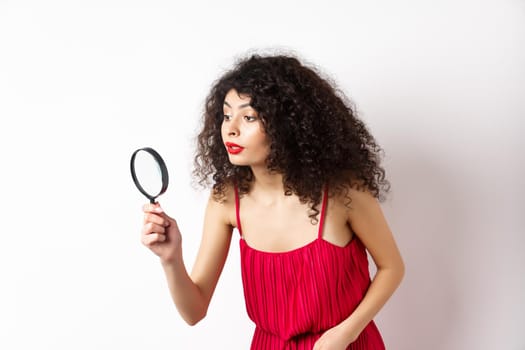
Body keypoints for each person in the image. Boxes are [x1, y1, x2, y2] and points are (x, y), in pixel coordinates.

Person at [140, 53, 405, 349]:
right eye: (227, 116)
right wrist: (171, 258)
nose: (231, 128)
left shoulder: (345, 193)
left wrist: (345, 333)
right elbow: (194, 312)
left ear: (288, 125)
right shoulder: (226, 201)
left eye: (249, 117)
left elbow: (392, 267)